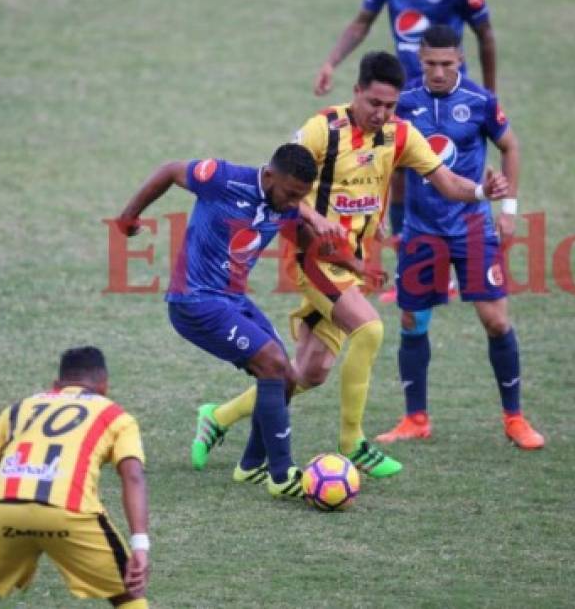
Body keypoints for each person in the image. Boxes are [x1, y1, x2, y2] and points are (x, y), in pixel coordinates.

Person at [194, 50, 510, 478]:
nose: (381, 113)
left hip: (353, 263)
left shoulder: (400, 135)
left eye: (390, 106)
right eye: (373, 103)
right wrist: (313, 215)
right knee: (370, 329)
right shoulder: (321, 129)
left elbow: (448, 183)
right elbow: (276, 178)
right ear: (356, 92)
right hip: (311, 257)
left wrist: (481, 192)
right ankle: (353, 442)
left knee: (309, 372)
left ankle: (218, 416)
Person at [372, 25, 543, 450]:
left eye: (447, 64)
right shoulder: (404, 103)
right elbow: (386, 165)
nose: (439, 72)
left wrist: (508, 210)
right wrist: (383, 219)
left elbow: (511, 147)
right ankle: (415, 418)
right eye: (430, 64)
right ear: (420, 61)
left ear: (461, 61)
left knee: (496, 320)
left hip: (471, 227)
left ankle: (515, 418)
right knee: (412, 321)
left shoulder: (480, 102)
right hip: (420, 230)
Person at [117, 144, 317, 498]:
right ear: (270, 176)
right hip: (194, 301)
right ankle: (283, 475)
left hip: (232, 299)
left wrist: (352, 264)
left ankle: (252, 465)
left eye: (300, 197)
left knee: (286, 376)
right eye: (290, 194)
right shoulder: (222, 179)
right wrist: (130, 215)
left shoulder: (284, 203)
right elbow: (169, 169)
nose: (292, 203)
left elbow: (303, 236)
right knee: (271, 363)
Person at [313, 0, 498, 278]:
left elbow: (485, 34)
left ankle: (453, 260)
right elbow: (361, 22)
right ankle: (408, 262)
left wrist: (490, 94)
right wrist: (331, 62)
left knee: (441, 173)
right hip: (404, 93)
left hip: (447, 97)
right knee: (396, 169)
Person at [0, 347, 150, 609]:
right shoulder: (116, 416)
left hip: (6, 512)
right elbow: (132, 476)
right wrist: (140, 544)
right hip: (69, 513)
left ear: (56, 385)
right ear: (104, 386)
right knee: (128, 596)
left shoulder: (21, 409)